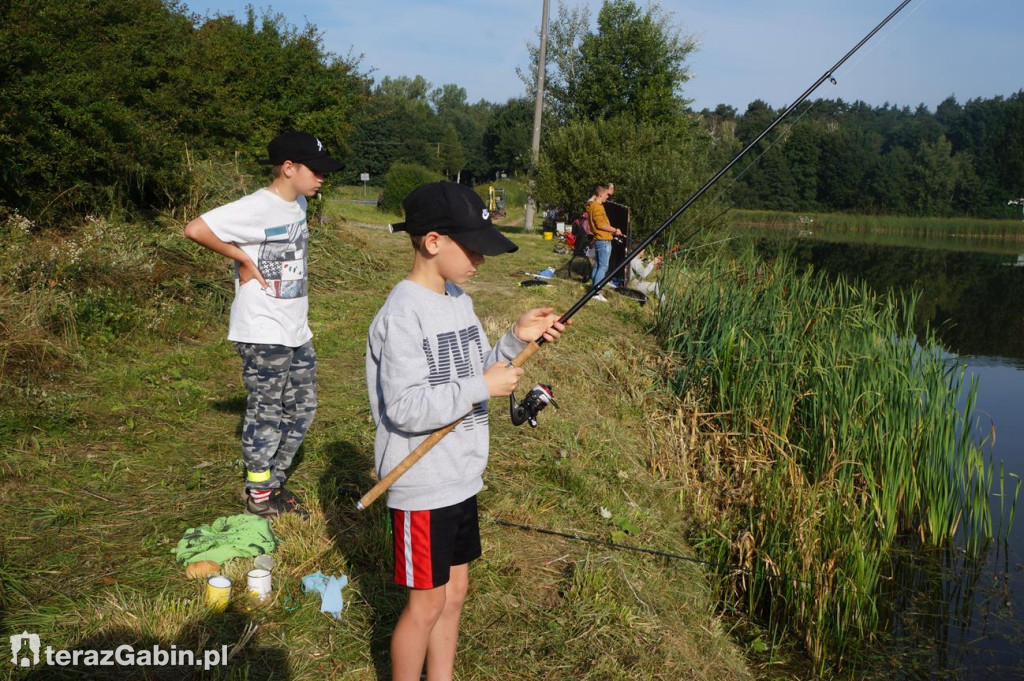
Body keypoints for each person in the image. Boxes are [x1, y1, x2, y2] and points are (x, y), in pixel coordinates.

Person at [366, 181, 567, 681]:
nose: (481, 258)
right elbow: (408, 407)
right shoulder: (401, 314)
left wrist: (512, 340)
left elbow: (475, 372)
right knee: (425, 605)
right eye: (472, 247)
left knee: (454, 593)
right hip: (422, 483)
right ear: (433, 242)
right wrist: (481, 384)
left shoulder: (457, 299)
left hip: (460, 475)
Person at [183, 131, 343, 518]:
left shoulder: (300, 203)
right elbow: (196, 229)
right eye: (316, 170)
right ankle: (259, 495)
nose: (322, 177)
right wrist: (242, 258)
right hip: (261, 329)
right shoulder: (256, 206)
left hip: (295, 328)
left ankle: (273, 481)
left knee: (303, 407)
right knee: (266, 410)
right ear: (289, 168)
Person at [586, 183, 622, 301]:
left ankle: (593, 289)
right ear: (601, 194)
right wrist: (615, 230)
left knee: (598, 265)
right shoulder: (597, 207)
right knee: (603, 267)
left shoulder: (593, 205)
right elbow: (600, 224)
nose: (608, 197)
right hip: (603, 240)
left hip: (600, 240)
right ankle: (596, 292)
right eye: (607, 195)